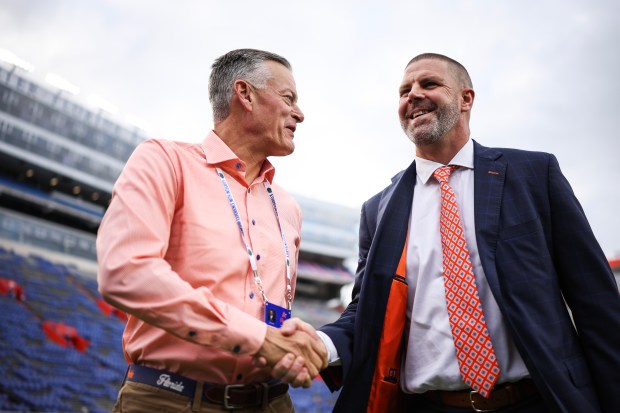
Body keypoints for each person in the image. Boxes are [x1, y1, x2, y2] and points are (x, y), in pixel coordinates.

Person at [272, 53, 620, 412]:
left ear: (466, 98)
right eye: (404, 90)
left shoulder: (533, 174)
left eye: (429, 84)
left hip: (536, 400)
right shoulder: (378, 211)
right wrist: (320, 343)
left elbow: (595, 301)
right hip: (430, 405)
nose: (413, 95)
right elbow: (365, 312)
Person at [97, 48, 326, 413]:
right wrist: (258, 339)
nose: (300, 113)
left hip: (272, 402)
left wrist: (289, 347)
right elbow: (126, 272)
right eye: (288, 98)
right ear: (245, 94)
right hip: (171, 399)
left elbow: (274, 310)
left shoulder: (289, 208)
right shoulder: (163, 160)